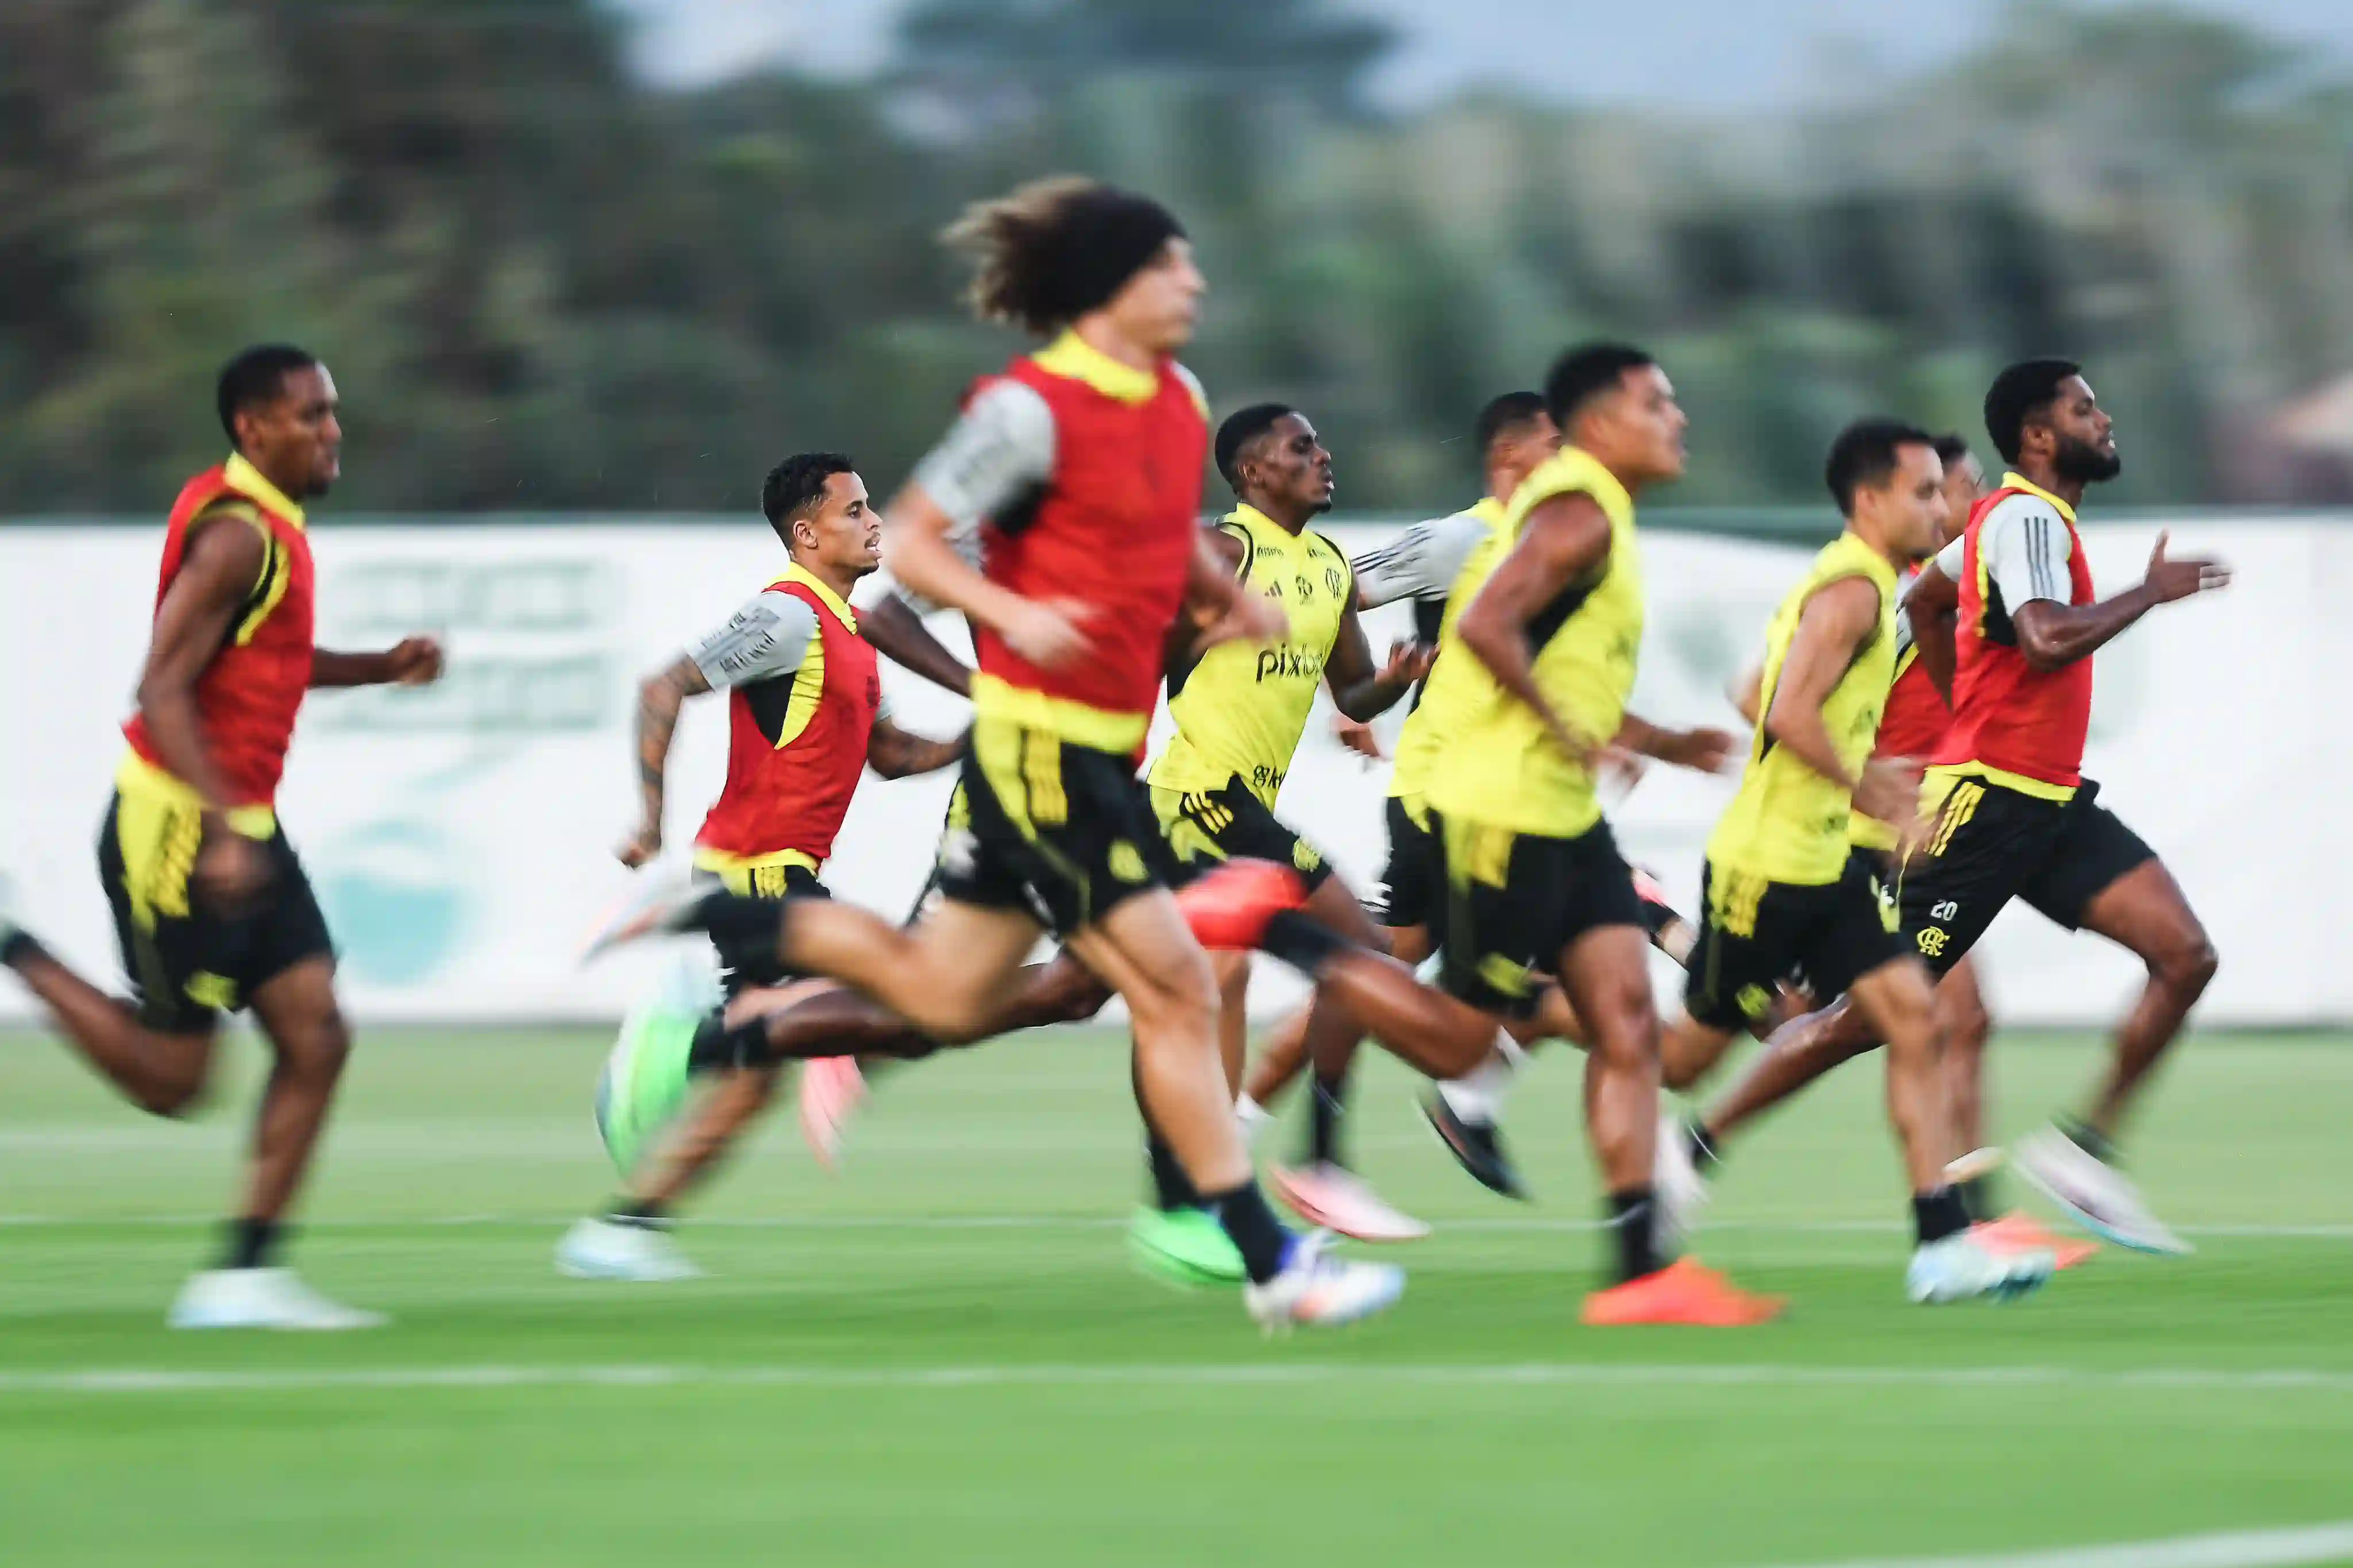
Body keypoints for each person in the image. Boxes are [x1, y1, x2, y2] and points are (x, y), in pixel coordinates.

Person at [583, 177, 1410, 1328]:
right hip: (1039, 754)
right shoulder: (1028, 412)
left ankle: (713, 929)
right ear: (1110, 289)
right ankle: (1267, 1263)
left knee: (949, 998)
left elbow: (1161, 541)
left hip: (1092, 755)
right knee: (1171, 987)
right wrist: (1008, 617)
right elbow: (915, 543)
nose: (1196, 284)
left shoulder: (1176, 401)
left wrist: (1228, 598)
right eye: (1173, 267)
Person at [1670, 361, 2227, 1256]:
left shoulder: (2007, 528)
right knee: (1881, 1017)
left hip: (2047, 802)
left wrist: (1960, 696)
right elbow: (2044, 637)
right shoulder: (2024, 518)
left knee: (2185, 953)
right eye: (2086, 408)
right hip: (1983, 810)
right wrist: (2148, 594)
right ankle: (1693, 1146)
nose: (2106, 416)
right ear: (2040, 437)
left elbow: (1932, 597)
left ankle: (2081, 1155)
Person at [0, 345, 443, 1329]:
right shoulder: (240, 535)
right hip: (181, 829)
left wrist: (379, 666)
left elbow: (267, 659)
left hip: (240, 823)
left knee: (316, 1033)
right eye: (310, 416)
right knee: (176, 1080)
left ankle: (243, 1278)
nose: (333, 433)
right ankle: (13, 944)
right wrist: (217, 826)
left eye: (332, 413)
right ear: (254, 429)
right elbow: (158, 687)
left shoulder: (270, 526)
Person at [1415, 342, 1782, 1326]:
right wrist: (1566, 728)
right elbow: (1487, 627)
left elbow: (1557, 664)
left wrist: (1655, 739)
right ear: (1602, 424)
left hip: (1561, 814)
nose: (1679, 419)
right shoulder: (1576, 509)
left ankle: (1637, 1276)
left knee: (1627, 1025)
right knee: (1458, 1035)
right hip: (1505, 806)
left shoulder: (1601, 516)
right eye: (1659, 403)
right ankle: (1293, 936)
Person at [1657, 418, 2054, 1302]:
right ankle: (1602, 987)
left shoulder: (1884, 583)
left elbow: (1778, 700)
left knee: (1916, 1019)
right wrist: (1868, 781)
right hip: (1770, 863)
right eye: (1931, 490)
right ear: (1873, 500)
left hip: (1832, 864)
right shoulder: (1854, 593)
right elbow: (1780, 707)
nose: (1951, 503)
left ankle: (1944, 1242)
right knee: (1686, 1056)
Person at [554, 454, 971, 1282]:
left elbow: (890, 755)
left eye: (870, 508)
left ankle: (627, 1228)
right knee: (909, 999)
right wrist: (650, 819)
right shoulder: (789, 618)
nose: (874, 522)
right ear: (807, 533)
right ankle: (682, 1045)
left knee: (779, 1064)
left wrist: (984, 742)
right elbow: (663, 685)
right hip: (755, 874)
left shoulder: (849, 635)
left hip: (787, 877)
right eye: (853, 511)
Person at [1130, 403, 1433, 1272]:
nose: (1323, 455)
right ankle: (1233, 1187)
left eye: (1320, 444)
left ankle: (1269, 1174)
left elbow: (1353, 693)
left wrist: (1395, 683)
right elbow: (1143, 651)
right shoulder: (1225, 550)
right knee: (1266, 974)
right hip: (1195, 798)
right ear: (1253, 473)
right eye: (1302, 447)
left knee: (1345, 966)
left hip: (1247, 806)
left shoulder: (1329, 565)